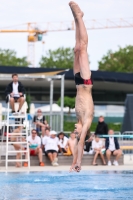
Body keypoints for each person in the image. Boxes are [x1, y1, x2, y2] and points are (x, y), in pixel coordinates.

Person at [69, 1, 94, 172]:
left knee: (76, 49)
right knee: (83, 48)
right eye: (77, 132)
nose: (75, 131)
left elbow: (77, 142)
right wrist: (80, 162)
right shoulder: (86, 122)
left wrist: (73, 162)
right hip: (85, 81)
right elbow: (81, 140)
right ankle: (79, 17)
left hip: (77, 82)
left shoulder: (77, 118)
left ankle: (77, 19)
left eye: (75, 132)